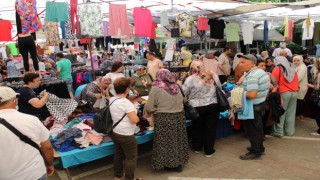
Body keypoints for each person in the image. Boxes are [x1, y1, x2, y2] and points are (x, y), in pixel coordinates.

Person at [0, 86, 54, 179]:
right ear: (15, 101)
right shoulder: (31, 120)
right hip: (34, 173)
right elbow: (47, 147)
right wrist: (50, 164)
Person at [145, 69, 188, 172]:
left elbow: (149, 108)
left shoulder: (155, 89)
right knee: (178, 140)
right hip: (179, 117)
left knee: (164, 142)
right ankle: (178, 164)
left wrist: (157, 109)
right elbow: (184, 100)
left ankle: (167, 164)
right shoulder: (177, 86)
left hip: (164, 118)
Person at [181, 60, 221, 157]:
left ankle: (197, 147)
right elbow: (219, 87)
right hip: (212, 105)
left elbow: (183, 93)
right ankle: (209, 150)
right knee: (210, 128)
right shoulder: (213, 75)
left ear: (192, 68)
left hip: (196, 107)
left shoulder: (190, 79)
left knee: (197, 127)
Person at [237, 54, 270, 160]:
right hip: (260, 104)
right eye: (240, 62)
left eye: (243, 62)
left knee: (252, 130)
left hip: (253, 106)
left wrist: (238, 92)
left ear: (252, 63)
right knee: (258, 128)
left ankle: (255, 152)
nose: (240, 64)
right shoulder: (259, 72)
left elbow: (252, 95)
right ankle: (259, 147)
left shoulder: (253, 76)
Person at [109, 77, 140, 180]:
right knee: (131, 158)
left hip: (116, 131)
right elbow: (135, 120)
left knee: (119, 154)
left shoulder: (112, 99)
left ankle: (117, 176)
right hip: (126, 134)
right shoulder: (126, 103)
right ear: (127, 89)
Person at [271, 56, 299, 137]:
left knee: (280, 112)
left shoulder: (277, 68)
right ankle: (290, 131)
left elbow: (274, 81)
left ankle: (278, 132)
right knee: (291, 113)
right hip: (294, 93)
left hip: (283, 93)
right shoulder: (292, 68)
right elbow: (296, 81)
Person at [293, 55, 308, 120]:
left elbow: (299, 77)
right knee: (299, 100)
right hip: (297, 85)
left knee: (299, 100)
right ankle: (300, 114)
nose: (296, 62)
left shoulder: (302, 67)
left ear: (301, 60)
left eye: (298, 60)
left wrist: (291, 82)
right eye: (294, 60)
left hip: (301, 86)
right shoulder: (295, 67)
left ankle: (299, 115)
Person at [307, 58, 320, 136]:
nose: (314, 65)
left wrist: (310, 85)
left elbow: (318, 87)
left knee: (318, 113)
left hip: (318, 96)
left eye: (315, 64)